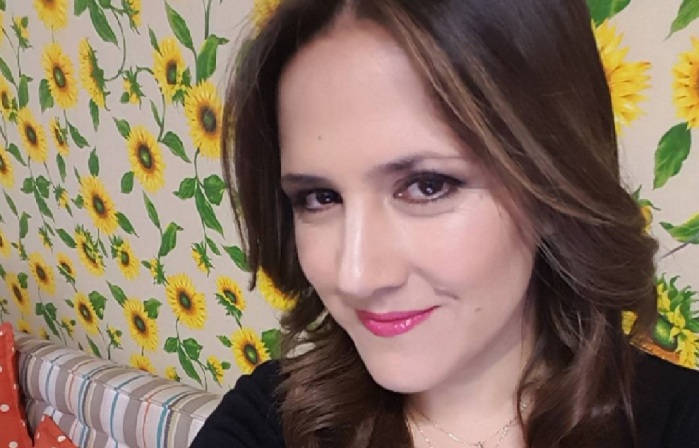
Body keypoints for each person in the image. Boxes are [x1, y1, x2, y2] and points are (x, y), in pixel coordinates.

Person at [190, 0, 699, 447]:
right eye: (319, 198)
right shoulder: (269, 420)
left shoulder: (678, 422)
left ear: (551, 190)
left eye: (428, 186)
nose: (356, 276)